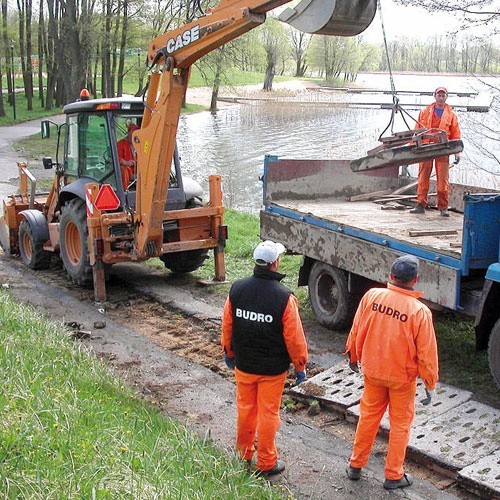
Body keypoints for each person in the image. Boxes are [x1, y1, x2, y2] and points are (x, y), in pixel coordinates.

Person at [345, 254, 439, 490]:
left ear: (390, 276)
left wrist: (353, 356)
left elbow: (357, 329)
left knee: (368, 417)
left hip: (373, 371)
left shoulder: (371, 297)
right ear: (415, 280)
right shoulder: (419, 312)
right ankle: (393, 475)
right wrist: (430, 383)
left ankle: (355, 465)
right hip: (402, 379)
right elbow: (427, 354)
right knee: (400, 425)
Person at [221, 240, 308, 477]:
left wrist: (228, 352)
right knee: (269, 414)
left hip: (244, 365)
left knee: (245, 409)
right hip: (272, 370)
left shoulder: (237, 289)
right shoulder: (284, 298)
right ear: (275, 263)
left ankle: (244, 453)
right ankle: (266, 462)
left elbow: (227, 325)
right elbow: (294, 338)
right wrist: (300, 367)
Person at [410, 86, 461, 217]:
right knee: (423, 177)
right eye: (439, 95)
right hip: (425, 149)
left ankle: (443, 207)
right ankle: (420, 204)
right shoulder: (425, 112)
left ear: (446, 97)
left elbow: (455, 134)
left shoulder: (451, 115)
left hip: (443, 150)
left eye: (443, 95)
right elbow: (417, 131)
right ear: (435, 96)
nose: (441, 97)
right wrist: (412, 149)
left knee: (443, 180)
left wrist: (457, 152)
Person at [117, 122, 140, 190]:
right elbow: (116, 158)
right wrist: (126, 162)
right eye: (132, 135)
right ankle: (124, 190)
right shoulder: (120, 144)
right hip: (128, 169)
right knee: (124, 169)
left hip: (138, 169)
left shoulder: (140, 144)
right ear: (129, 134)